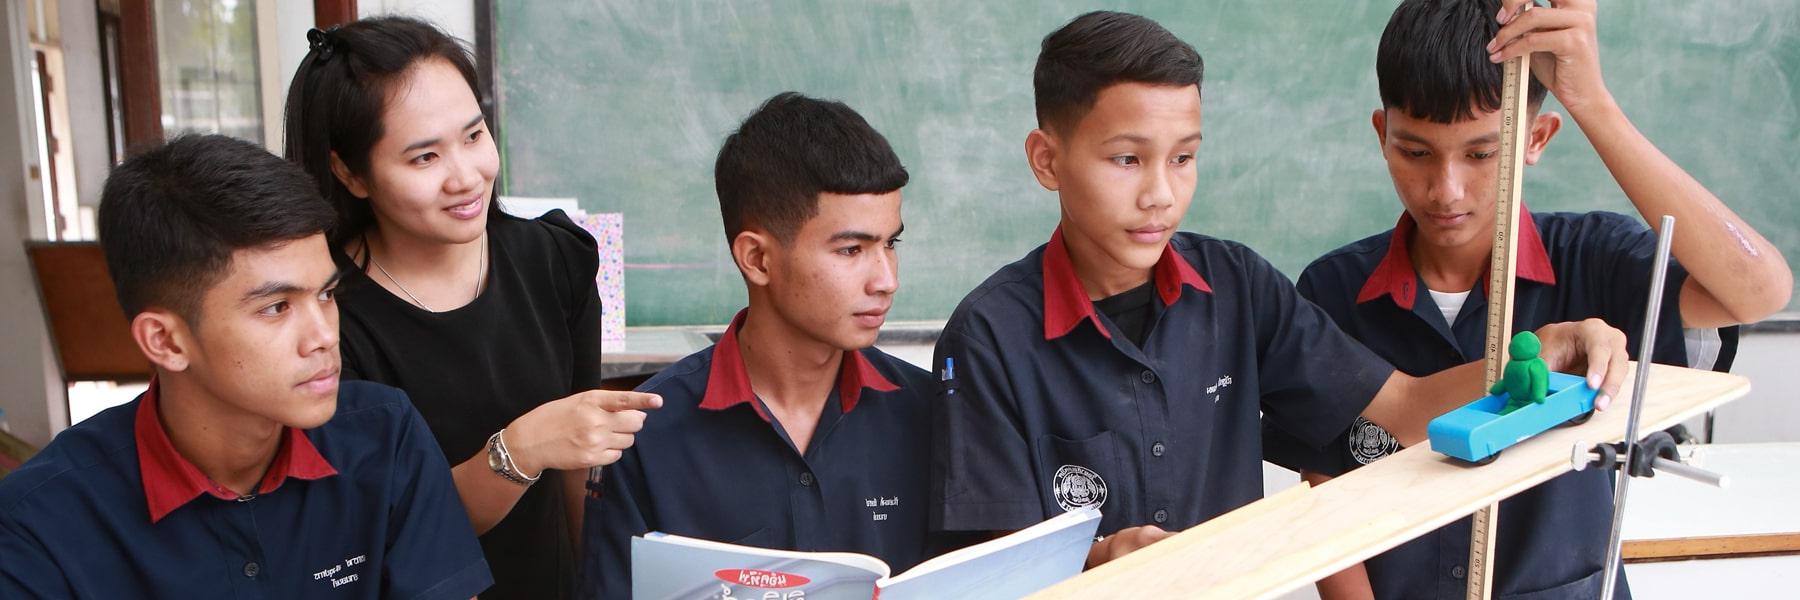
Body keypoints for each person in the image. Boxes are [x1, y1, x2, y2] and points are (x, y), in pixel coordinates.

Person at [929, 10, 1635, 570]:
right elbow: (1004, 568)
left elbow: (1403, 406)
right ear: (1047, 160)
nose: (1161, 194)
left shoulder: (1237, 286)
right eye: (1126, 159)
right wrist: (1101, 558)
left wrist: (1538, 352)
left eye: (1184, 158)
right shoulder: (989, 334)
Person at [1267, 1, 1791, 597]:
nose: (1447, 189)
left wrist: (1590, 98)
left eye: (1483, 153)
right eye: (1416, 152)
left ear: (1536, 137)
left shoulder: (1596, 258)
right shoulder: (1333, 291)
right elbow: (1324, 489)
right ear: (1382, 135)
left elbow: (1758, 290)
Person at [0, 134, 491, 598]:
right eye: (276, 307)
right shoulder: (38, 523)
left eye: (326, 294)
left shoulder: (384, 439)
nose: (323, 336)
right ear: (166, 341)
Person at [284, 17, 660, 598]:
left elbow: (582, 469)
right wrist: (520, 449)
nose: (467, 176)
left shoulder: (556, 260)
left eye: (474, 135)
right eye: (424, 158)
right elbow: (384, 532)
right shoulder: (325, 320)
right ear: (350, 173)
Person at [581, 93, 937, 599]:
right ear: (758, 259)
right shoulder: (649, 440)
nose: (886, 280)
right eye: (852, 249)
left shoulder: (931, 414)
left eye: (891, 244)